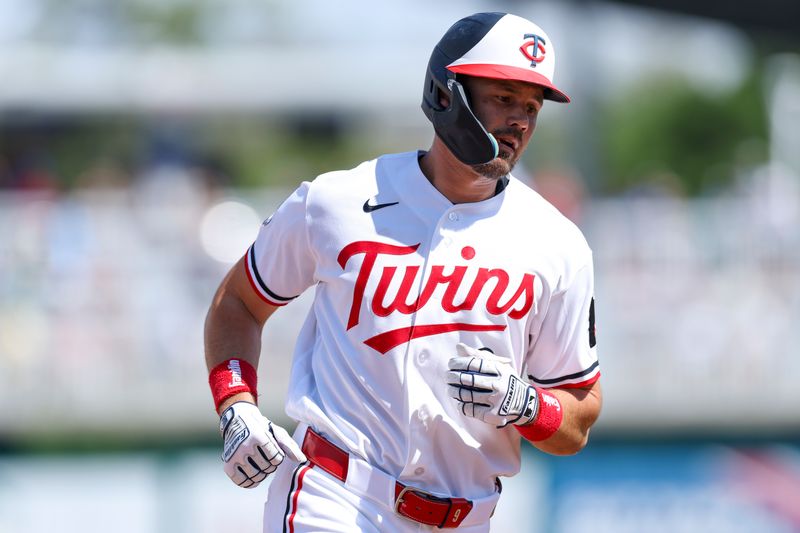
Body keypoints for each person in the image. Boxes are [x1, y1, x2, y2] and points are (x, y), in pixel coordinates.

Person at [205, 11, 602, 532]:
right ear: (447, 94)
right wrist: (235, 405)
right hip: (334, 497)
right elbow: (237, 302)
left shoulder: (557, 244)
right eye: (503, 98)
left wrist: (527, 405)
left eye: (531, 106)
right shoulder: (338, 201)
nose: (520, 120)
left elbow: (579, 418)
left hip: (465, 518)